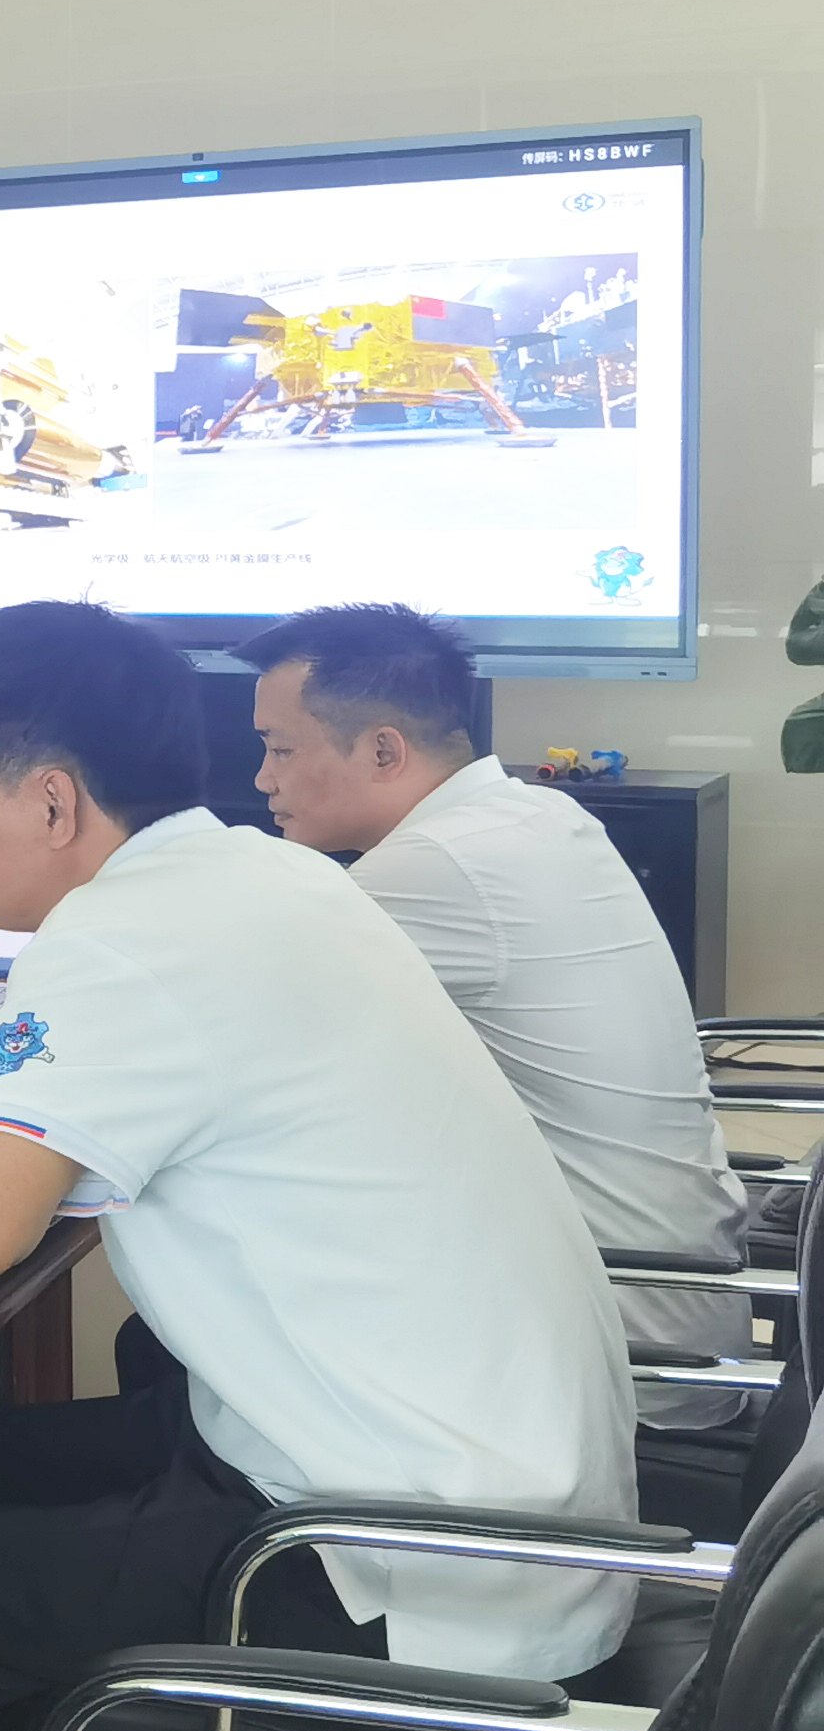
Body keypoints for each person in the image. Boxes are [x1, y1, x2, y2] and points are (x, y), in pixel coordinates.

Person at [0, 599, 638, 1731]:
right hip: (491, 1499)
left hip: (396, 1560)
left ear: (52, 802)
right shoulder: (246, 878)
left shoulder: (119, 939)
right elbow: (141, 1072)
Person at [241, 602, 746, 1430]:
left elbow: (224, 1047)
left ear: (383, 750)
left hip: (609, 1363)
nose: (264, 778)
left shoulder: (435, 867)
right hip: (679, 1310)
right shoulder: (540, 814)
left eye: (280, 748)